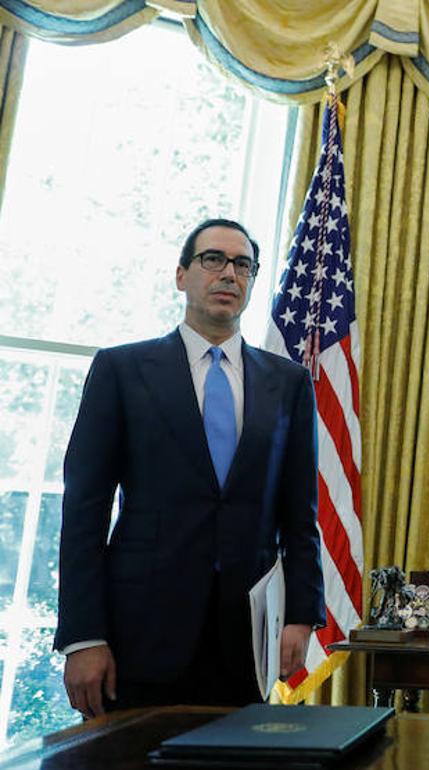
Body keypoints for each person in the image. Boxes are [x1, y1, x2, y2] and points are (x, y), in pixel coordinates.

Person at [54, 219, 325, 719]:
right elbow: (83, 513)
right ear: (181, 275)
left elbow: (299, 516)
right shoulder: (122, 370)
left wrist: (302, 615)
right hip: (138, 635)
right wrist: (83, 636)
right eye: (213, 259)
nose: (229, 274)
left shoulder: (288, 383)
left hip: (246, 642)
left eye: (243, 265)